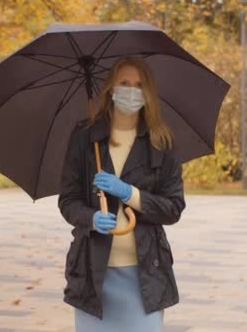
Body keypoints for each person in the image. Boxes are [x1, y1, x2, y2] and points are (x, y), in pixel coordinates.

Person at [58, 56, 186, 332]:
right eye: (124, 83)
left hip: (145, 275)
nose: (131, 90)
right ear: (110, 89)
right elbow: (68, 201)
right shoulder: (85, 136)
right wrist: (91, 218)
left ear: (148, 92)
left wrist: (130, 193)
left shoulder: (161, 141)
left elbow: (173, 207)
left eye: (139, 84)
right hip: (93, 275)